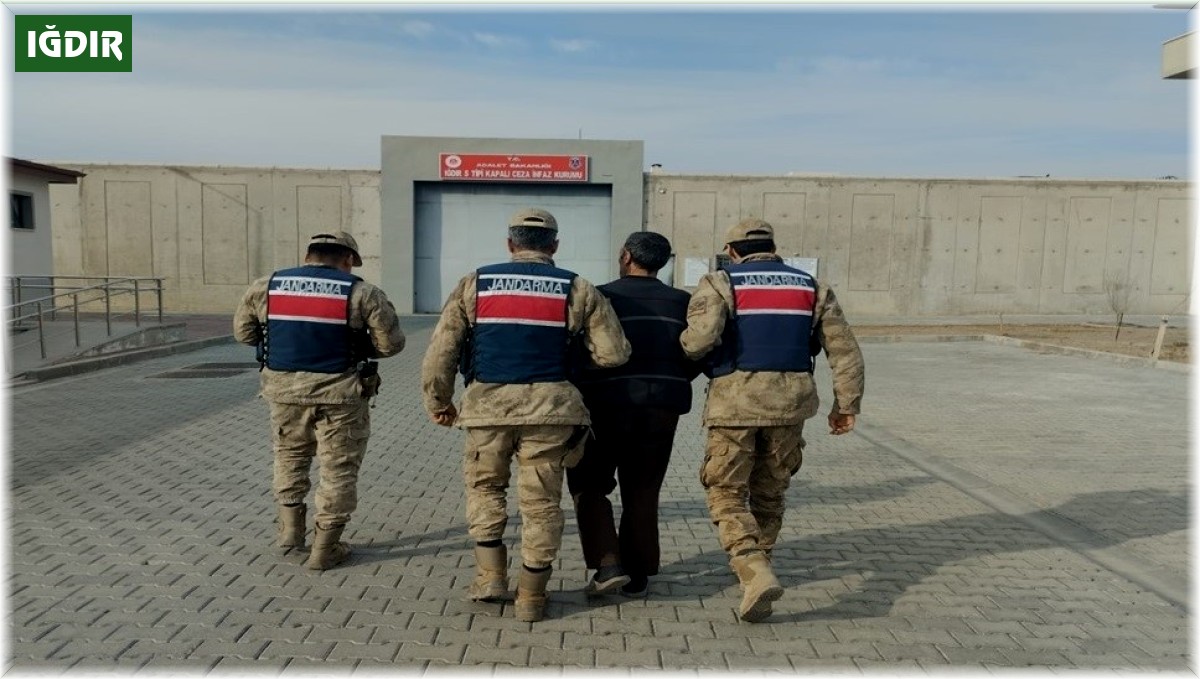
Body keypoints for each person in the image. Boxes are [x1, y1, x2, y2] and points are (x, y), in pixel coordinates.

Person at [420, 208, 631, 623]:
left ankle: (490, 579)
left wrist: (439, 401)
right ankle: (532, 597)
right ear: (554, 245)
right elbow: (614, 354)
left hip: (486, 409)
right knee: (541, 503)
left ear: (510, 244)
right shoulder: (577, 287)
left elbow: (441, 351)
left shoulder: (474, 283)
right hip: (551, 411)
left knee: (485, 490)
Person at [680, 217, 864, 622]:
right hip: (790, 405)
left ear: (731, 251)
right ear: (773, 247)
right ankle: (757, 570)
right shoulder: (812, 286)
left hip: (735, 404)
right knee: (770, 490)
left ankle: (752, 567)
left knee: (726, 490)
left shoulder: (721, 283)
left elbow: (698, 342)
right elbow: (844, 350)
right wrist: (845, 406)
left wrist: (687, 345)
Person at [234, 231, 405, 571]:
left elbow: (244, 333)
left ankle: (290, 533)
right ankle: (325, 548)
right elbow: (390, 345)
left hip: (283, 392)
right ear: (346, 260)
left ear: (308, 255)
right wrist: (355, 347)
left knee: (289, 455)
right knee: (338, 468)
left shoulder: (265, 286)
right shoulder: (361, 292)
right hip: (340, 395)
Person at [567, 231, 700, 598]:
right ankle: (638, 572)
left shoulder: (599, 295)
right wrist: (672, 380)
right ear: (664, 261)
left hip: (603, 406)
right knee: (643, 488)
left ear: (626, 256)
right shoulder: (684, 302)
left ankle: (608, 565)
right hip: (662, 408)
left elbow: (576, 348)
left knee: (589, 485)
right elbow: (698, 350)